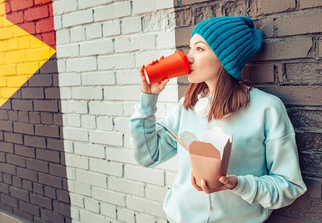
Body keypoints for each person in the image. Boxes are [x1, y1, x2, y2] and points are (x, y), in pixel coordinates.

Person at [130, 16, 306, 223]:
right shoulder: (186, 107)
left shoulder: (267, 108)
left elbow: (289, 185)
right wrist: (148, 99)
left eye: (200, 49)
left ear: (226, 58)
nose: (188, 58)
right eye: (190, 48)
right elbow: (148, 155)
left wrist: (239, 184)